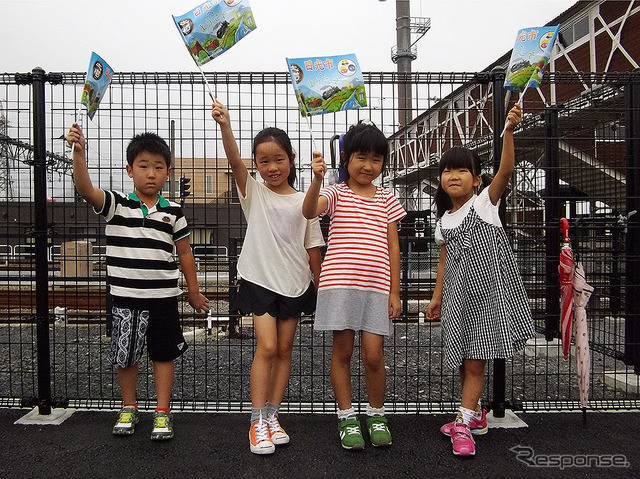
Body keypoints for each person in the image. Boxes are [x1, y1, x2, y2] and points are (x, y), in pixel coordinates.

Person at [66, 125, 209, 441]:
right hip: (125, 297)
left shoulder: (173, 212)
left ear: (168, 172)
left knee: (163, 354)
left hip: (164, 298)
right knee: (125, 354)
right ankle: (128, 406)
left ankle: (162, 411)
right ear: (129, 170)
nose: (151, 174)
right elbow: (86, 189)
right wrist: (79, 152)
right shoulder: (116, 204)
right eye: (143, 166)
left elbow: (185, 252)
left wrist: (194, 291)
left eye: (159, 167)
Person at [211, 99, 324, 455]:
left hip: (295, 282)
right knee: (269, 347)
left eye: (278, 159)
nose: (271, 167)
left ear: (292, 159)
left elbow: (313, 248)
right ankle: (257, 421)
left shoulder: (307, 200)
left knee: (286, 349)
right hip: (259, 279)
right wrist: (225, 126)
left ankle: (273, 416)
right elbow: (233, 160)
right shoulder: (253, 192)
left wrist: (321, 286)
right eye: (263, 161)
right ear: (255, 164)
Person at [425, 103, 535, 457]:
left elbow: (505, 172)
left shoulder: (484, 204)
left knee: (474, 360)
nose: (453, 176)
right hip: (459, 298)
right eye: (447, 171)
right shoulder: (443, 219)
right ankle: (472, 414)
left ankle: (463, 422)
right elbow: (444, 261)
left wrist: (508, 132)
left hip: (487, 296)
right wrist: (437, 296)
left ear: (476, 180)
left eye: (462, 170)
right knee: (465, 358)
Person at [302, 121, 406, 450]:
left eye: (376, 159)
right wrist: (317, 179)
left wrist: (395, 290)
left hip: (376, 288)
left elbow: (393, 247)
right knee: (343, 352)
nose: (368, 165)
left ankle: (377, 414)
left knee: (374, 356)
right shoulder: (334, 193)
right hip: (339, 284)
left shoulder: (388, 199)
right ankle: (346, 416)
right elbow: (307, 211)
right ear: (346, 159)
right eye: (361, 157)